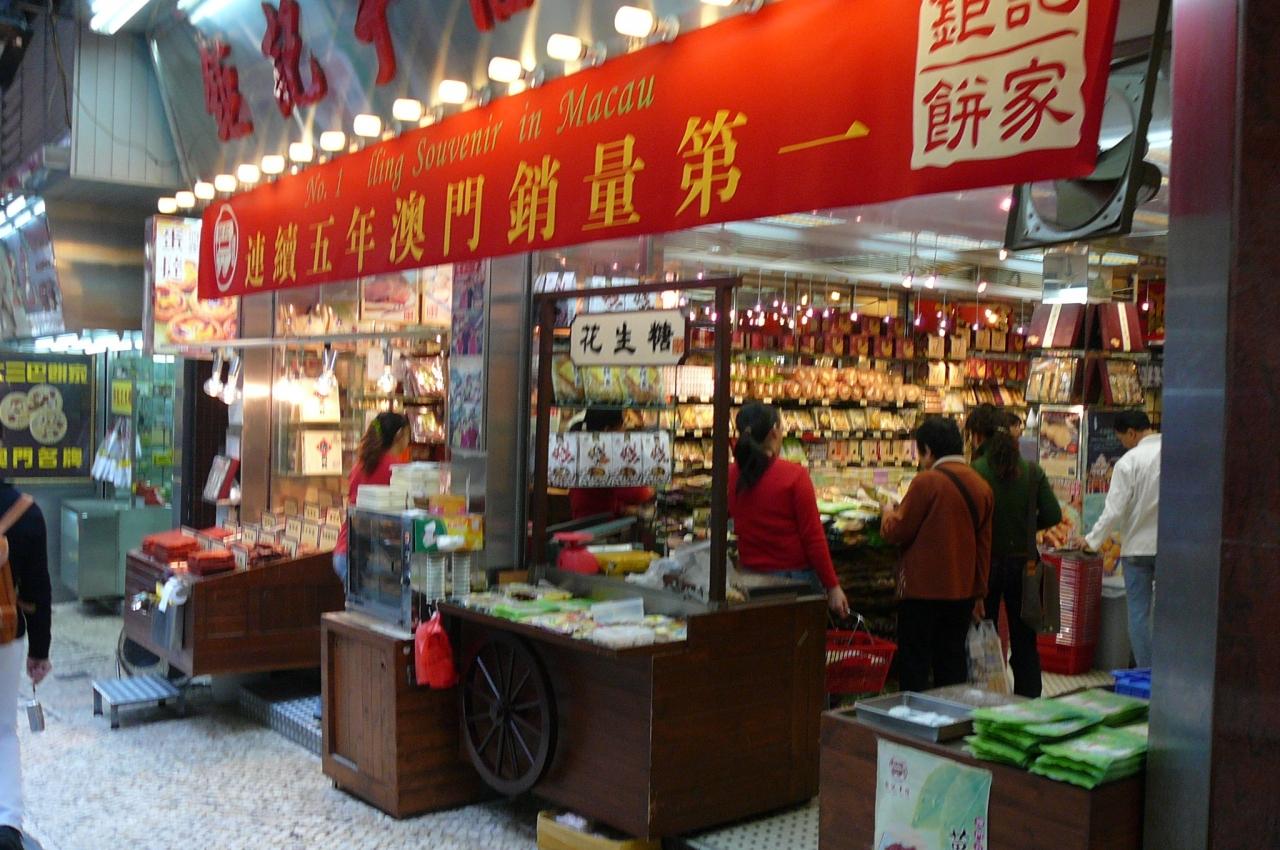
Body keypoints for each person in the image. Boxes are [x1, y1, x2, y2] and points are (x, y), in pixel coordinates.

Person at [881, 417, 993, 692]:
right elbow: (983, 547)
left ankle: (913, 716)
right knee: (951, 663)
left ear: (928, 450)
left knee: (915, 664)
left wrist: (887, 513)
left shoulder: (926, 482)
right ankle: (950, 713)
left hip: (921, 592)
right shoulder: (981, 486)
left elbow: (897, 531)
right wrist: (979, 593)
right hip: (961, 592)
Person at [966, 405, 1062, 697]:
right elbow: (1053, 514)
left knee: (985, 634)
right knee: (1025, 640)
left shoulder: (975, 472)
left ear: (978, 436)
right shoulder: (1032, 471)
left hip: (986, 564)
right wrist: (1027, 525)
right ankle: (1029, 700)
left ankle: (988, 695)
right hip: (1025, 565)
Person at [728, 403, 850, 616]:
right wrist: (832, 586)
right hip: (793, 581)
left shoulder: (731, 475)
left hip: (749, 578)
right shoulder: (794, 476)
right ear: (774, 432)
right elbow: (813, 538)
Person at [1082, 411, 1161, 668]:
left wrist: (1092, 541)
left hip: (1136, 549)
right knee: (1168, 613)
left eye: (1121, 438)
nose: (1122, 444)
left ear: (1131, 433)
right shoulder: (1176, 455)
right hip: (1171, 549)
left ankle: (1145, 672)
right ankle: (1167, 673)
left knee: (1138, 614)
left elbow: (1113, 511)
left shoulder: (1129, 462)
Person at [0, 481, 51, 850]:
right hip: (5, 635)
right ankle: (7, 823)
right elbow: (37, 589)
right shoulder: (25, 512)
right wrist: (39, 650)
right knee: (3, 730)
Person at [332, 411, 411, 583]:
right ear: (399, 435)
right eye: (408, 435)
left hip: (345, 550)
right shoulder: (397, 469)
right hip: (368, 556)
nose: (409, 441)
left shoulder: (361, 464)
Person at [567, 408, 655, 520]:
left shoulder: (586, 447)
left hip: (584, 520)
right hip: (601, 525)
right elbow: (639, 494)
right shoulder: (606, 456)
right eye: (622, 426)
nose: (624, 431)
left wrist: (624, 508)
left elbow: (602, 497)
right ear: (607, 430)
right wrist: (650, 490)